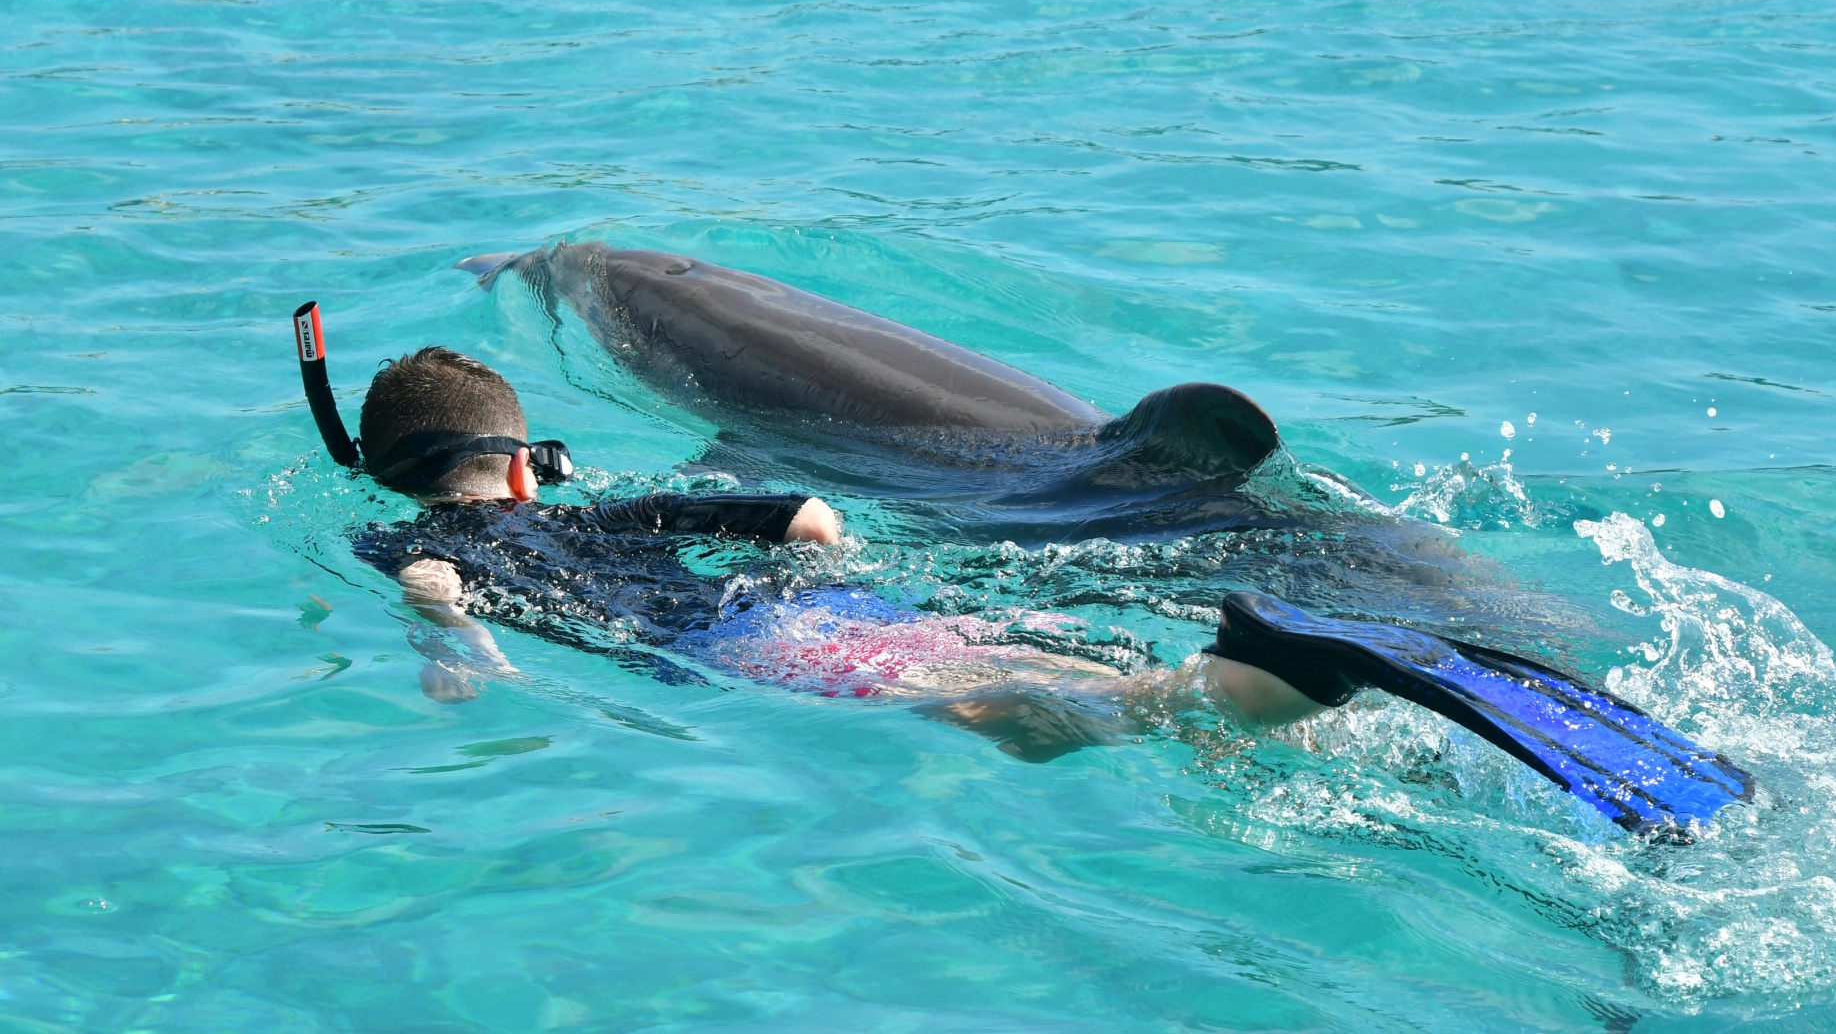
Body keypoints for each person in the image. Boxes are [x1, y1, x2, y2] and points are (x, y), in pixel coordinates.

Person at [295, 307, 1752, 837]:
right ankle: (1282, 671)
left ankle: (1283, 661)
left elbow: (438, 589)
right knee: (1053, 675)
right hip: (825, 605)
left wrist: (454, 655)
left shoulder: (427, 538)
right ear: (526, 453)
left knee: (1029, 721)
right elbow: (808, 517)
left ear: (400, 478)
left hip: (757, 655)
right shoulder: (621, 509)